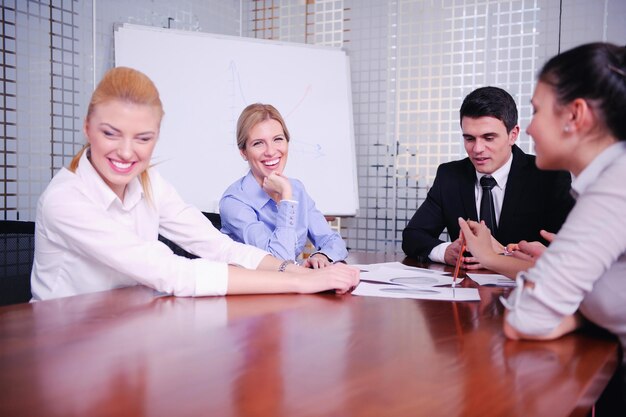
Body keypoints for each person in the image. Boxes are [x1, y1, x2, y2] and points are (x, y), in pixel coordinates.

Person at [30, 67, 359, 300]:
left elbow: (218, 247)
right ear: (88, 128)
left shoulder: (148, 181)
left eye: (143, 138)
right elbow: (170, 272)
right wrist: (302, 283)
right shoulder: (65, 199)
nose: (127, 152)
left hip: (128, 329)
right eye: (110, 133)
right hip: (65, 338)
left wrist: (294, 270)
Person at [458, 43, 626, 405]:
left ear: (575, 115)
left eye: (537, 111)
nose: (530, 129)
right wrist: (546, 270)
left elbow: (526, 318)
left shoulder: (616, 185)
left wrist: (569, 306)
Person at [402, 86, 574, 269]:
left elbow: (568, 252)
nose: (477, 149)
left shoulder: (549, 176)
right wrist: (445, 252)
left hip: (524, 289)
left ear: (512, 135)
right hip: (462, 291)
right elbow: (413, 236)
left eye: (488, 138)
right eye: (469, 139)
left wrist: (501, 255)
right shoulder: (449, 175)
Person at [219, 103, 348, 269]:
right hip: (250, 291)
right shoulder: (234, 201)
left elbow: (333, 241)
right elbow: (279, 263)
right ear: (243, 152)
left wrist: (322, 255)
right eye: (258, 143)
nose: (271, 151)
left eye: (278, 139)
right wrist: (286, 199)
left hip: (290, 288)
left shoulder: (297, 189)